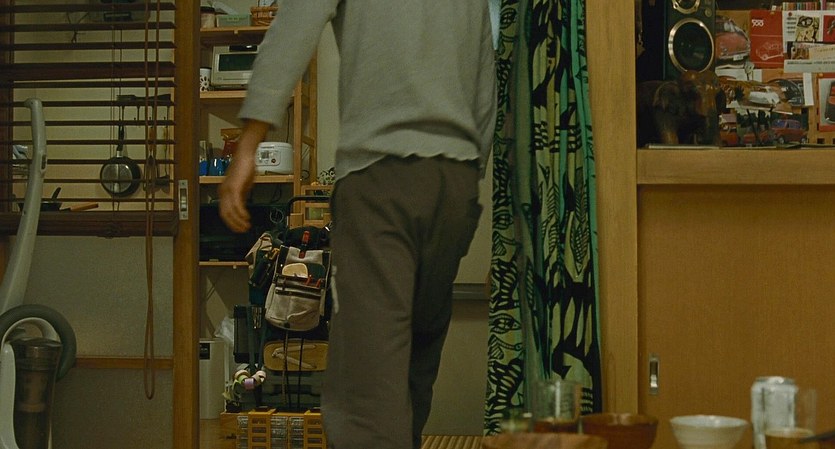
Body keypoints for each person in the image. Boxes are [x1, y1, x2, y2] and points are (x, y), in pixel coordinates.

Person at [218, 1, 496, 448]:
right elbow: (485, 73)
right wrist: (469, 171)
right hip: (455, 181)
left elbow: (293, 28)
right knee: (413, 361)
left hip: (381, 173)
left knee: (367, 381)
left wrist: (249, 144)